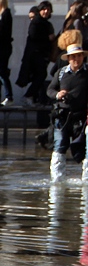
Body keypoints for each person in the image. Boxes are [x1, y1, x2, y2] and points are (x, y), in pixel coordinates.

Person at [47, 44, 88, 182]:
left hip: (82, 117)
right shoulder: (61, 73)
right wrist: (58, 94)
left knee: (86, 148)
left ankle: (86, 181)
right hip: (62, 116)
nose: (77, 59)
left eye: (79, 55)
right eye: (73, 56)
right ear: (69, 58)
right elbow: (50, 90)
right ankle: (57, 181)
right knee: (59, 146)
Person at [20, 1, 55, 106]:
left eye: (48, 10)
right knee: (41, 75)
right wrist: (47, 38)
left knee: (38, 76)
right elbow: (33, 36)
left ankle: (34, 98)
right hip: (36, 54)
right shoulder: (36, 22)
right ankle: (28, 96)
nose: (46, 12)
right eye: (44, 9)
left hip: (42, 53)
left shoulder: (45, 23)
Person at [0, 0, 14, 105]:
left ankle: (9, 96)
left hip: (2, 47)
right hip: (2, 47)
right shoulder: (3, 14)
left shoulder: (5, 14)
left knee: (1, 72)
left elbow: (2, 32)